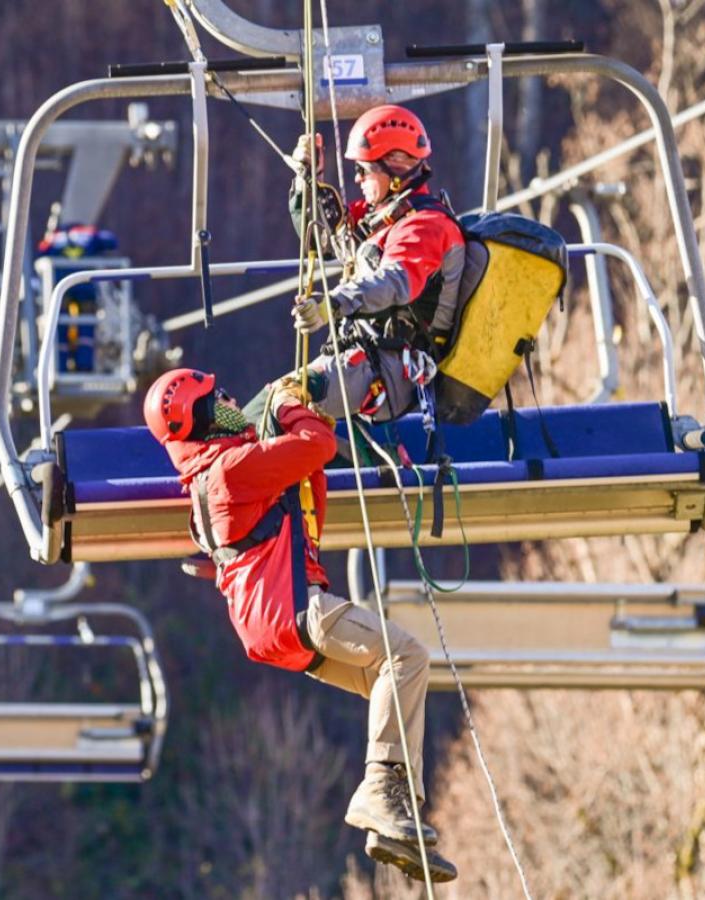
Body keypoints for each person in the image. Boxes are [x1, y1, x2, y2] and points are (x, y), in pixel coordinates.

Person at [144, 367, 457, 882]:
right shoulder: (230, 469)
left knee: (395, 684)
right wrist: (290, 403)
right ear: (199, 418)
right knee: (406, 656)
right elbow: (315, 445)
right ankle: (381, 792)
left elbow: (297, 479)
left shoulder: (209, 480)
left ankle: (392, 822)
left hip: (273, 631)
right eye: (215, 397)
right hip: (293, 609)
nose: (228, 399)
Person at [245, 104, 465, 426]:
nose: (357, 178)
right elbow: (323, 238)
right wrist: (309, 178)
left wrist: (332, 306)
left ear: (396, 167)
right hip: (362, 358)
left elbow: (393, 283)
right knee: (268, 409)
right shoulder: (382, 217)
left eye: (364, 169)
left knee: (279, 404)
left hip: (391, 371)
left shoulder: (426, 226)